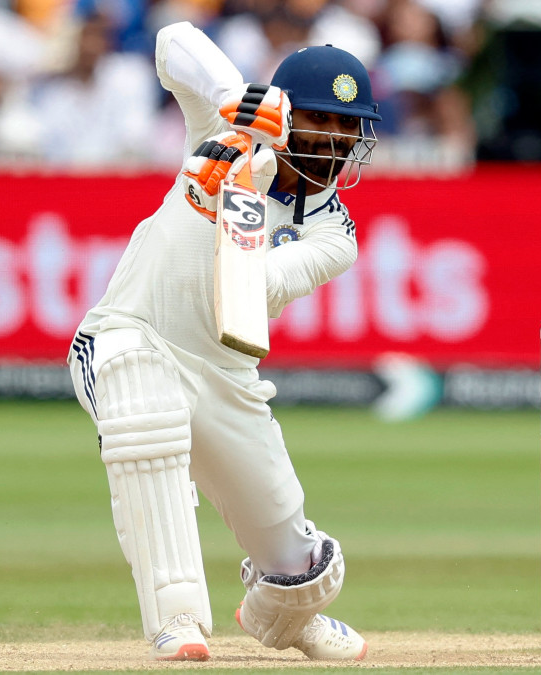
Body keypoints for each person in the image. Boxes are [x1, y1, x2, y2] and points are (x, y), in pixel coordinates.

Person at [65, 20, 379, 662]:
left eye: (351, 128)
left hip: (226, 374)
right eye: (325, 121)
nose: (339, 141)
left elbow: (249, 290)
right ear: (288, 113)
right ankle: (176, 619)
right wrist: (236, 101)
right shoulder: (223, 125)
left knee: (299, 564)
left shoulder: (335, 235)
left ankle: (284, 618)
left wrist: (231, 195)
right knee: (144, 419)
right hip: (132, 333)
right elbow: (173, 39)